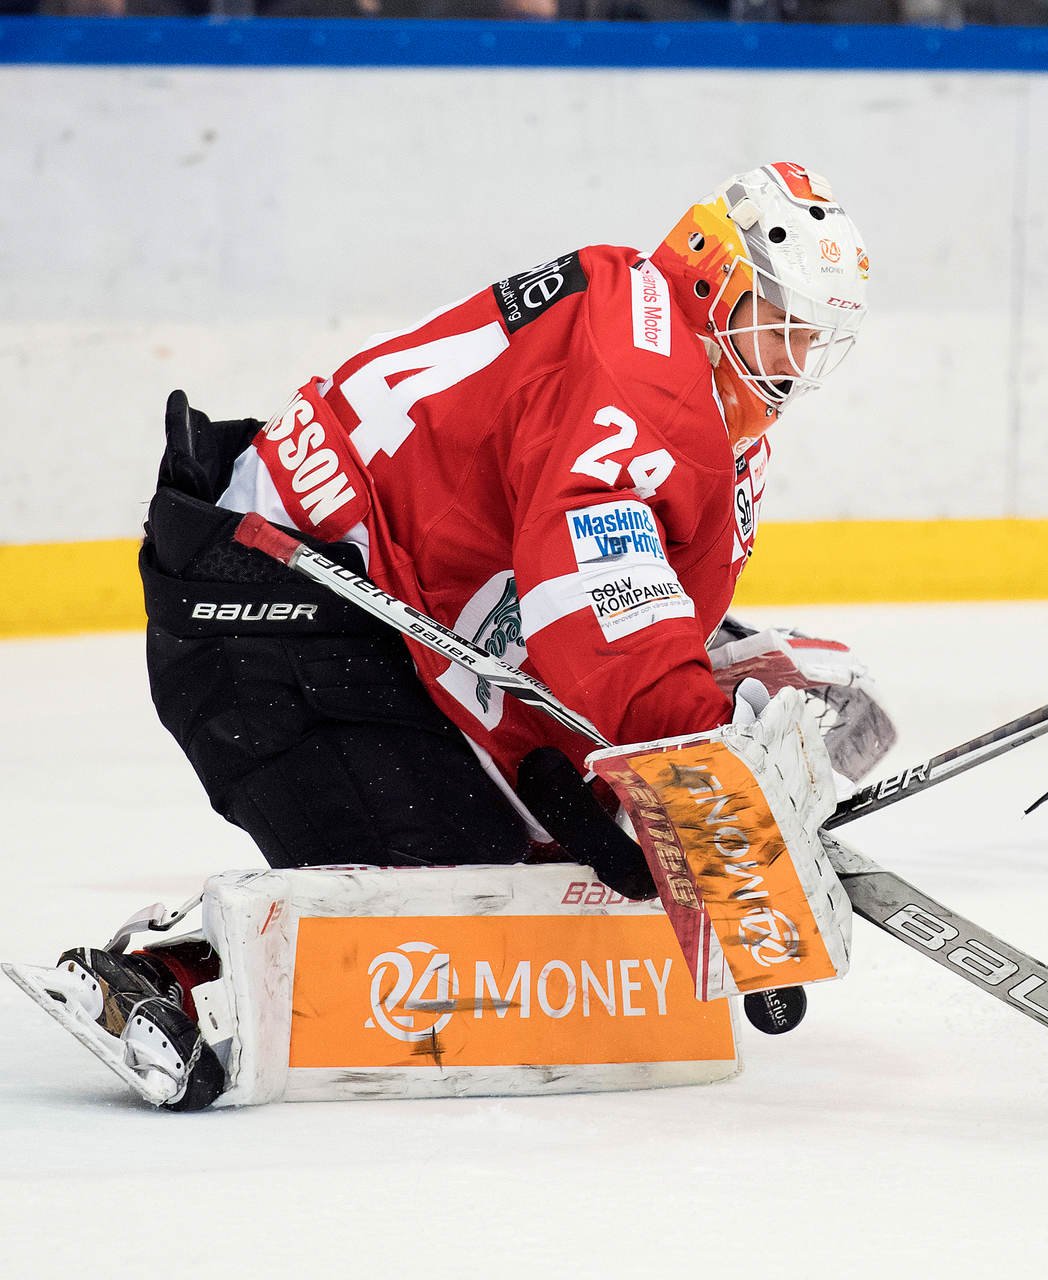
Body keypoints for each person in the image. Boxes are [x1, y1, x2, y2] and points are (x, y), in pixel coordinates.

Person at [42, 162, 873, 1109]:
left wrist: (642, 760)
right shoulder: (647, 376)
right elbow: (596, 603)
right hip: (269, 609)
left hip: (371, 617)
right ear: (711, 275)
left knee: (555, 862)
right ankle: (180, 968)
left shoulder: (687, 380)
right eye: (781, 321)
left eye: (814, 337)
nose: (794, 357)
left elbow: (570, 613)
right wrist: (696, 753)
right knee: (456, 888)